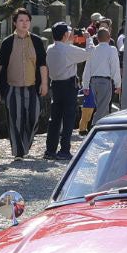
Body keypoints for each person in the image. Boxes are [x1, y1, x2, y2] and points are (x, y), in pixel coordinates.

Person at [0, 9, 48, 159]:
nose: (25, 23)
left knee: (34, 117)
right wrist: (1, 89)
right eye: (21, 20)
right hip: (12, 87)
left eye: (27, 20)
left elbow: (42, 65)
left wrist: (44, 83)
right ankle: (18, 152)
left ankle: (25, 144)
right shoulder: (7, 42)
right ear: (14, 23)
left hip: (32, 86)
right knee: (15, 120)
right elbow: (1, 67)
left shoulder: (37, 41)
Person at [45, 21, 88, 159]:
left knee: (55, 118)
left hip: (55, 85)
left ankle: (50, 150)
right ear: (64, 35)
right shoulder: (68, 50)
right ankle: (64, 150)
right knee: (68, 118)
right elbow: (89, 53)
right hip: (69, 85)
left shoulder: (50, 48)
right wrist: (88, 38)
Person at [85, 26, 122, 127]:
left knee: (99, 107)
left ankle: (100, 128)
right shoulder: (112, 50)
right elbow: (115, 68)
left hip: (93, 82)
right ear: (109, 37)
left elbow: (87, 68)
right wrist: (118, 84)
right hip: (105, 82)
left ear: (97, 39)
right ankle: (95, 127)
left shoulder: (92, 50)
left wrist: (85, 85)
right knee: (103, 108)